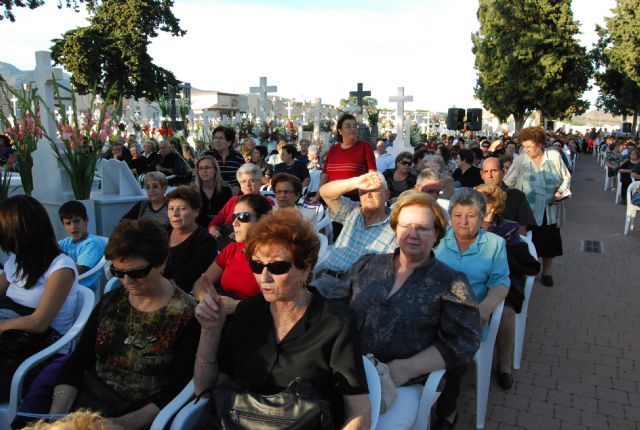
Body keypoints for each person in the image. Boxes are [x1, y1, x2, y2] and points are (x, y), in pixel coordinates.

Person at [193, 209, 371, 429]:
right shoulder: (248, 312)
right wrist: (210, 330)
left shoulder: (336, 322)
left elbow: (359, 410)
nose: (264, 277)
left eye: (278, 266)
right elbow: (204, 387)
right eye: (257, 265)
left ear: (306, 269)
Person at [346, 191, 481, 429]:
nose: (413, 234)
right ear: (395, 229)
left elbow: (464, 341)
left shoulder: (450, 282)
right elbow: (337, 307)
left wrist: (407, 368)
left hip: (402, 383)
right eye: (406, 226)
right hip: (351, 371)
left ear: (436, 233)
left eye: (422, 228)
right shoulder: (368, 265)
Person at [49, 218, 199, 428]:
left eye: (137, 272)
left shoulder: (185, 315)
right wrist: (56, 417)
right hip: (89, 404)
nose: (127, 282)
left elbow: (177, 389)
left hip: (137, 415)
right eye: (118, 272)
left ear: (162, 262)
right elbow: (79, 360)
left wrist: (118, 424)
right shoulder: (112, 300)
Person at [433, 188, 510, 429]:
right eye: (457, 215)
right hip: (433, 309)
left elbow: (500, 282)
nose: (463, 221)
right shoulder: (438, 238)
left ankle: (448, 410)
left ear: (482, 216)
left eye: (471, 215)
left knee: (454, 346)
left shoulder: (494, 244)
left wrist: (485, 307)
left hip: (468, 315)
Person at [0, 196, 78, 401]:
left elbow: (39, 323)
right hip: (14, 333)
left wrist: (2, 325)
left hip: (40, 347)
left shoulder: (61, 268)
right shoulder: (17, 259)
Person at [475, 184, 540, 390]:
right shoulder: (465, 223)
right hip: (472, 278)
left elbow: (510, 261)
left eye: (481, 200)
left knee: (506, 312)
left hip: (503, 278)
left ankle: (504, 365)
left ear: (493, 207)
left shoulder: (508, 227)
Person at [504, 126, 571, 287]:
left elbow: (566, 177)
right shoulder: (520, 160)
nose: (526, 149)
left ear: (540, 144)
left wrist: (560, 193)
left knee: (550, 243)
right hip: (527, 211)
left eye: (529, 146)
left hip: (550, 208)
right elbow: (508, 182)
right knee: (527, 242)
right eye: (523, 146)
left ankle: (547, 273)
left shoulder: (554, 156)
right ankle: (527, 271)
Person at [312, 172, 397, 299]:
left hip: (357, 292)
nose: (368, 195)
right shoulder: (352, 211)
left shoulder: (397, 226)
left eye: (374, 190)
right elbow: (325, 192)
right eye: (363, 191)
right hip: (327, 281)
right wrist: (356, 182)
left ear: (387, 195)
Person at [192, 194, 272, 306]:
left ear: (263, 220)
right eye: (234, 217)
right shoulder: (232, 249)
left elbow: (280, 303)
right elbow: (200, 284)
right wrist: (209, 302)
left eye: (243, 217)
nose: (235, 223)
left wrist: (237, 306)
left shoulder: (276, 256)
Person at [164, 186, 217, 293]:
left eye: (182, 209)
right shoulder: (162, 233)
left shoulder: (206, 241)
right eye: (171, 208)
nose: (175, 214)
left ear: (196, 212)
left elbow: (186, 280)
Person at [207, 163, 274, 241]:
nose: (247, 185)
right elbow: (218, 219)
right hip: (228, 241)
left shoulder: (267, 202)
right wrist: (213, 229)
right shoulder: (233, 201)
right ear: (240, 185)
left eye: (252, 180)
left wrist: (241, 233)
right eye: (243, 181)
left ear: (259, 182)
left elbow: (268, 228)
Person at [319, 114, 376, 201]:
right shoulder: (333, 149)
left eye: (354, 126)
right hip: (332, 198)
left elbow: (372, 173)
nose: (352, 128)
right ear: (340, 131)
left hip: (355, 199)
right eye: (348, 126)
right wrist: (318, 195)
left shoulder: (364, 147)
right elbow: (325, 174)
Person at [480, 157, 536, 235]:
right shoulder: (475, 196)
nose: (490, 176)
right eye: (486, 172)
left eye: (494, 171)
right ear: (481, 174)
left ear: (503, 171)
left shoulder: (517, 196)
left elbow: (522, 229)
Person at [57, 201, 106, 288]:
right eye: (68, 223)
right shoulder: (64, 243)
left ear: (86, 220)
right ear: (63, 225)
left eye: (77, 221)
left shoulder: (92, 244)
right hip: (65, 285)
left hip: (82, 289)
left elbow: (77, 271)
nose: (73, 227)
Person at [194, 156, 233, 229]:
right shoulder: (192, 191)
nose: (203, 171)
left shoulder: (226, 190)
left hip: (220, 230)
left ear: (215, 170)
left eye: (207, 167)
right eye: (200, 168)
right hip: (197, 231)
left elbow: (228, 214)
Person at [205, 126, 245, 194]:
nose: (217, 141)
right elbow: (197, 175)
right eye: (215, 138)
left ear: (229, 142)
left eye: (220, 138)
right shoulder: (207, 156)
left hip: (233, 193)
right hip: (212, 193)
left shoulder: (237, 157)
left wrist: (238, 187)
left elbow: (244, 175)